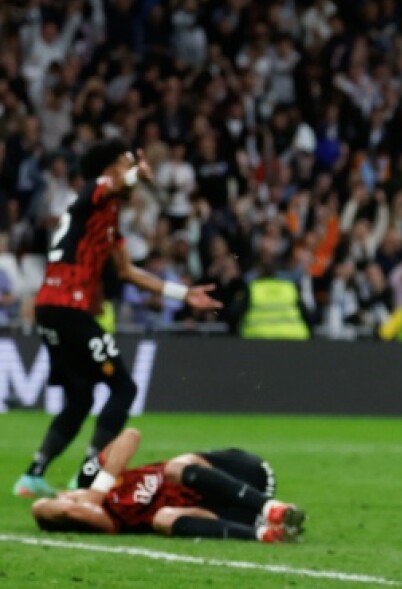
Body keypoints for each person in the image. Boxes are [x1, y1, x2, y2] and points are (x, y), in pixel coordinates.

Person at [14, 139, 222, 498]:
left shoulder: (106, 219)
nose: (134, 171)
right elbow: (114, 184)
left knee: (80, 397)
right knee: (124, 388)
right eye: (127, 161)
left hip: (53, 308)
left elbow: (127, 271)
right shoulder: (94, 191)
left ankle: (33, 476)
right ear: (111, 169)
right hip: (67, 307)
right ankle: (87, 479)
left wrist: (182, 293)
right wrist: (134, 174)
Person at [31, 428, 305, 542]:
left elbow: (131, 435)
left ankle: (271, 507)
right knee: (163, 519)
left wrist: (94, 491)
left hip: (242, 474)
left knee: (175, 467)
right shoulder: (106, 518)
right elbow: (47, 509)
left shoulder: (97, 480)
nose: (65, 500)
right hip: (229, 511)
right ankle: (267, 533)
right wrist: (78, 504)